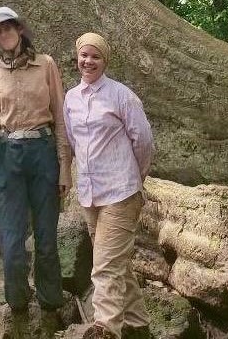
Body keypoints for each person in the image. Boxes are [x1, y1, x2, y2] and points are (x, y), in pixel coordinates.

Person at [0, 7, 72, 333]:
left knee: (46, 237)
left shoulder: (46, 64)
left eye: (7, 28)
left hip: (43, 153)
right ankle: (17, 304)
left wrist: (65, 166)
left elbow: (60, 117)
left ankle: (50, 304)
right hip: (8, 156)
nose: (3, 35)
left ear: (19, 29)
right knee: (11, 242)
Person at [63, 32, 155, 339]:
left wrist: (135, 177)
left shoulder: (121, 96)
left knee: (104, 266)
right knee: (117, 265)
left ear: (105, 61)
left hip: (121, 192)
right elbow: (74, 142)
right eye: (84, 55)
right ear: (77, 58)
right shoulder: (71, 98)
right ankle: (139, 327)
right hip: (90, 194)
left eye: (96, 57)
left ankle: (106, 328)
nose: (88, 61)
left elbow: (143, 140)